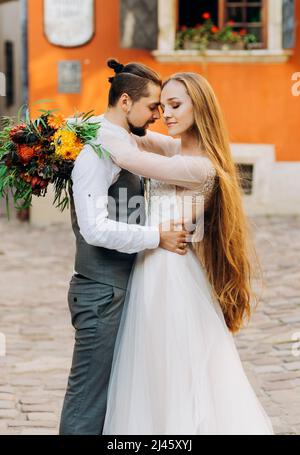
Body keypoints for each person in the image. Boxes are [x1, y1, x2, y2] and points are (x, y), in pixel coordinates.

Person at [99, 64, 274, 435]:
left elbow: (130, 156)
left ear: (201, 108)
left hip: (170, 274)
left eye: (176, 105)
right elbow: (138, 138)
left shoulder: (201, 167)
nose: (167, 115)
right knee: (154, 369)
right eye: (162, 106)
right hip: (153, 265)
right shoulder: (177, 149)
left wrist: (90, 129)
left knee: (175, 367)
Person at [59, 60, 190, 435]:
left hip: (113, 288)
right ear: (127, 101)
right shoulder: (98, 150)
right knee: (89, 401)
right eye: (153, 107)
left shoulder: (122, 140)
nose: (157, 116)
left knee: (109, 398)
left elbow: (172, 147)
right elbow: (94, 228)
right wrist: (156, 236)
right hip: (100, 292)